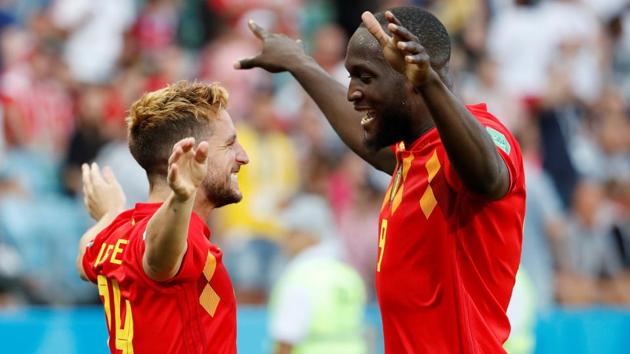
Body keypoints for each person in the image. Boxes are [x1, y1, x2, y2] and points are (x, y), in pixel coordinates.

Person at [236, 6, 525, 353]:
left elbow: (489, 179)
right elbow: (365, 142)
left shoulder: (485, 138)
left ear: (411, 77)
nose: (352, 92)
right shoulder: (414, 157)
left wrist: (429, 82)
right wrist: (300, 63)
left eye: (365, 77)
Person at [76, 81, 249, 354]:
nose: (244, 156)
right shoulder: (175, 238)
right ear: (192, 155)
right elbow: (160, 260)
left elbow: (85, 257)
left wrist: (109, 214)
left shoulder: (116, 232)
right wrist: (181, 197)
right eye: (229, 145)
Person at [269, 194, 367, 354]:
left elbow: (286, 339)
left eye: (293, 232)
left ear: (310, 234)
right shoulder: (348, 272)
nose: (286, 239)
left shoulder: (299, 277)